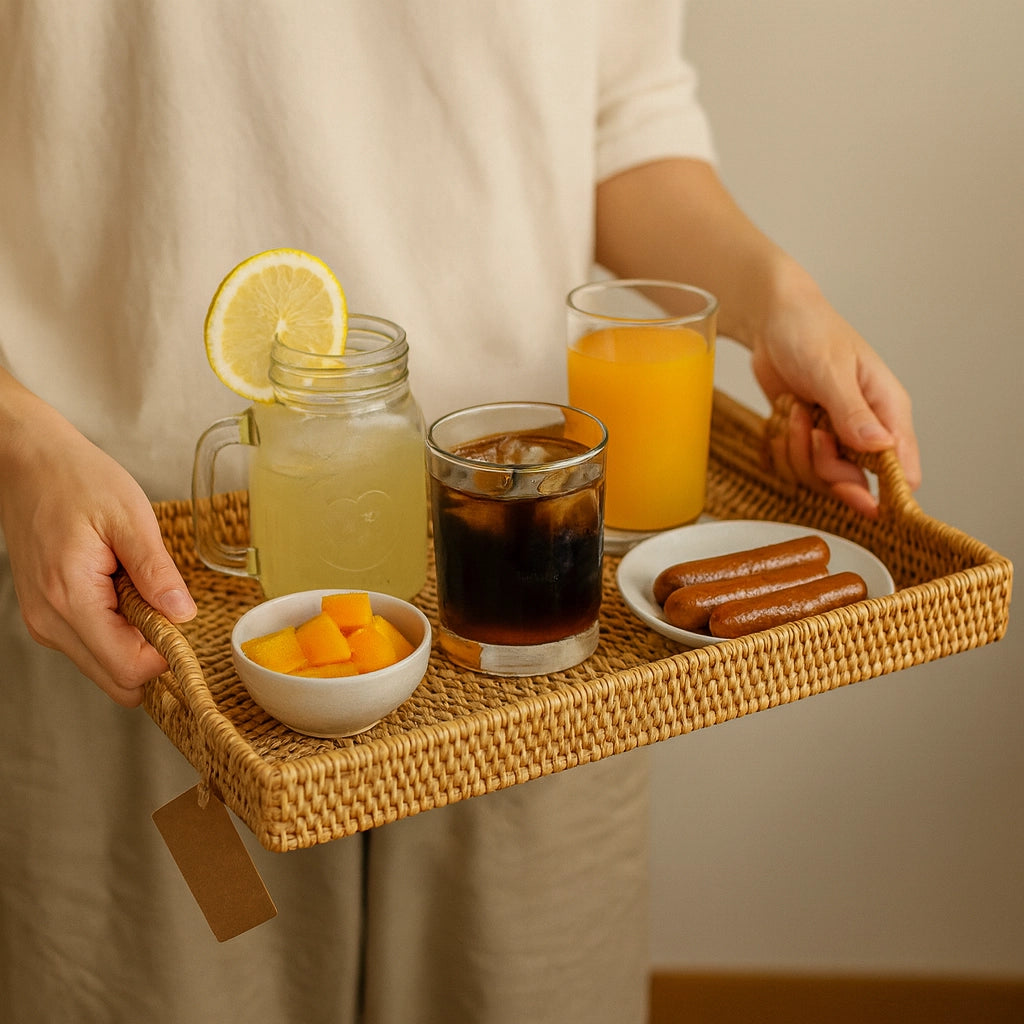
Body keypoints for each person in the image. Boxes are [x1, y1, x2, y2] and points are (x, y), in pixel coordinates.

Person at [0, 2, 920, 1021]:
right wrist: (14, 439)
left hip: (537, 614)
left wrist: (775, 296)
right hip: (142, 611)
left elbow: (623, 115)